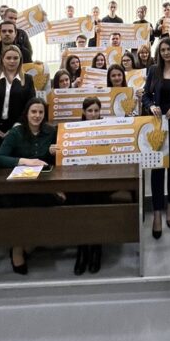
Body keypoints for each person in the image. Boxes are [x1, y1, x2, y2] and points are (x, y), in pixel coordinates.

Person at [0, 97, 59, 274]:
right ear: (27, 113)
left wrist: (52, 152)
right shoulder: (16, 132)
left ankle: (31, 241)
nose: (37, 115)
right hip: (17, 185)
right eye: (33, 112)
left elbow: (56, 159)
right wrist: (24, 161)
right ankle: (17, 247)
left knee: (49, 205)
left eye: (40, 112)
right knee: (18, 207)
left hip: (42, 184)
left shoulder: (51, 131)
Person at [142, 37, 170, 239]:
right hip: (157, 123)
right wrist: (151, 105)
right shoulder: (153, 70)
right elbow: (146, 95)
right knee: (157, 167)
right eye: (163, 50)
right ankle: (157, 213)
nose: (166, 53)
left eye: (169, 49)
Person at [73, 97, 106, 274]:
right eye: (90, 111)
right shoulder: (74, 129)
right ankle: (82, 249)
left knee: (97, 201)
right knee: (80, 202)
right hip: (80, 179)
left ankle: (96, 248)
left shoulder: (107, 128)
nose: (93, 114)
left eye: (96, 111)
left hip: (101, 179)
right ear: (83, 112)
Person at [0, 45, 35, 141]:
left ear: (20, 60)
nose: (12, 61)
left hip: (18, 130)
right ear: (2, 59)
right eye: (8, 58)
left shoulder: (28, 79)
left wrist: (17, 127)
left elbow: (30, 106)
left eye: (15, 58)